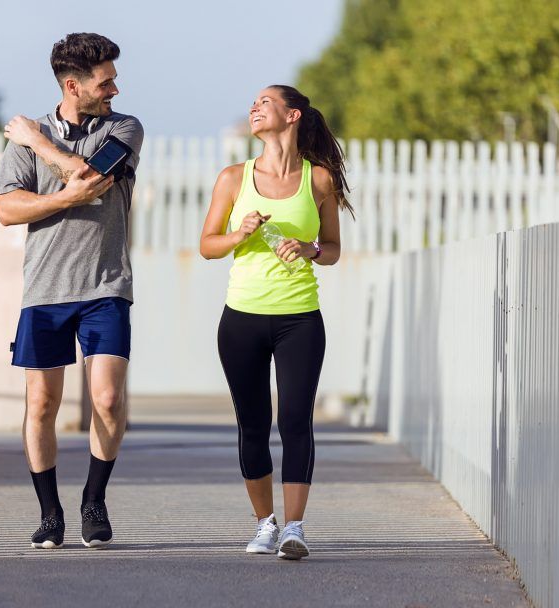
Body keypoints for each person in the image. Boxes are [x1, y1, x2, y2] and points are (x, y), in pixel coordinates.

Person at [0, 33, 144, 550]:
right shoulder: (24, 141)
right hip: (45, 290)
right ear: (74, 86)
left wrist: (37, 143)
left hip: (106, 285)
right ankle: (50, 512)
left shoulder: (124, 127)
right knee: (42, 405)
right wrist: (61, 197)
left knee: (106, 398)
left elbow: (88, 176)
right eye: (106, 81)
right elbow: (7, 210)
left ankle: (94, 500)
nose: (115, 88)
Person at [199, 85, 352, 560]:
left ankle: (295, 528)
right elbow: (207, 245)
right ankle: (264, 524)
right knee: (252, 423)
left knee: (294, 420)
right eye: (252, 103)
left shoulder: (319, 180)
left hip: (299, 319)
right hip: (241, 317)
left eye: (264, 102)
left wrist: (309, 250)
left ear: (292, 115)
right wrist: (238, 233)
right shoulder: (233, 178)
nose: (254, 108)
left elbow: (332, 249)